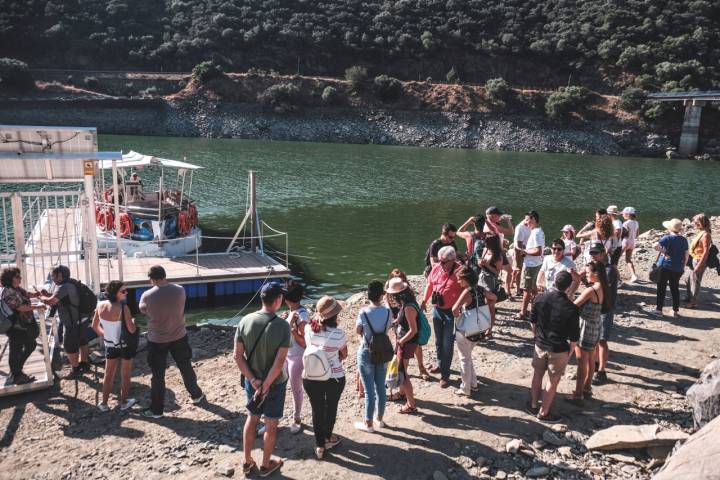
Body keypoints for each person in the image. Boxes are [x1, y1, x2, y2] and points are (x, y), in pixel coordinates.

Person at [234, 281, 290, 476]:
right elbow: (280, 361)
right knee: (271, 424)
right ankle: (266, 464)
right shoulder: (283, 326)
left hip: (253, 382)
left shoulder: (244, 321)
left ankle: (247, 460)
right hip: (274, 383)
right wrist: (266, 384)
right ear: (277, 300)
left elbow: (238, 356)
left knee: (252, 418)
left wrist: (253, 380)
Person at [139, 265, 204, 418]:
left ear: (151, 279)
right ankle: (196, 395)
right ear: (164, 275)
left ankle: (156, 410)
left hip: (157, 339)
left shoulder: (147, 295)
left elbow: (143, 310)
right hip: (179, 336)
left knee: (158, 374)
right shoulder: (180, 290)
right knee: (185, 366)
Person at [528, 271, 579, 422]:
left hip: (541, 344)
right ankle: (544, 412)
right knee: (553, 380)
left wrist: (536, 336)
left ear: (555, 281)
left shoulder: (540, 298)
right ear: (569, 286)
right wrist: (570, 352)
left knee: (537, 374)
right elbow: (574, 337)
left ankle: (533, 404)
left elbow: (533, 321)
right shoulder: (571, 308)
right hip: (558, 348)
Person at [303, 296, 347, 460]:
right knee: (331, 407)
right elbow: (345, 354)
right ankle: (328, 437)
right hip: (333, 376)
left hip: (311, 376)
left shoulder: (308, 329)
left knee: (317, 409)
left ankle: (319, 445)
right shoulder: (339, 334)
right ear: (335, 316)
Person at [91, 281, 137, 412]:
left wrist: (105, 335)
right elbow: (131, 330)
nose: (126, 293)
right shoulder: (124, 308)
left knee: (108, 374)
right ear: (115, 293)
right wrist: (133, 322)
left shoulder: (100, 305)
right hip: (124, 345)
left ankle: (104, 403)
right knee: (125, 374)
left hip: (110, 344)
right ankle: (123, 402)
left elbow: (95, 326)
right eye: (123, 291)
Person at [422, 246, 463, 388]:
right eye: (440, 261)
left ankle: (445, 375)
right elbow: (430, 285)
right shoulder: (437, 268)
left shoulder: (460, 271)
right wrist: (423, 301)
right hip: (437, 310)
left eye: (444, 262)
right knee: (439, 341)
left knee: (447, 344)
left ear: (453, 260)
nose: (441, 264)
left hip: (452, 314)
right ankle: (441, 364)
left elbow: (468, 291)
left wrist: (459, 306)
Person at [355, 280, 393, 432]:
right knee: (380, 388)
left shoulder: (363, 312)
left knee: (369, 390)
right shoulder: (388, 312)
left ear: (368, 295)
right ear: (382, 295)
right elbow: (387, 328)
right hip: (383, 351)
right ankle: (380, 419)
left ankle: (368, 423)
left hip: (367, 352)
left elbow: (358, 331)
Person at [39, 265, 90, 379]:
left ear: (60, 275)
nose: (52, 277)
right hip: (83, 318)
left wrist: (42, 298)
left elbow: (52, 301)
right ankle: (85, 363)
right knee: (82, 340)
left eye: (54, 275)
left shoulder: (63, 287)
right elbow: (61, 298)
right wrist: (47, 295)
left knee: (69, 346)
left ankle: (76, 369)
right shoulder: (72, 283)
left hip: (73, 321)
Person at [451, 267, 495, 396]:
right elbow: (494, 297)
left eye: (460, 279)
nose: (458, 281)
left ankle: (465, 388)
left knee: (463, 358)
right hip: (479, 328)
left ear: (466, 279)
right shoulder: (481, 289)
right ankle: (473, 384)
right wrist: (489, 306)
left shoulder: (467, 292)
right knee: (468, 356)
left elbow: (454, 309)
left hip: (466, 330)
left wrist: (459, 316)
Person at [569, 259, 608, 404]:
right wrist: (581, 280)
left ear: (595, 274)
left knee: (581, 362)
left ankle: (578, 394)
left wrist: (574, 285)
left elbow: (573, 305)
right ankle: (587, 388)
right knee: (591, 360)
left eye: (587, 272)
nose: (586, 274)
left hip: (585, 327)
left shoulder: (590, 290)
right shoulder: (603, 286)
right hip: (596, 325)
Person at [1, 267, 45, 385]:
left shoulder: (17, 289)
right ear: (10, 279)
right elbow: (20, 307)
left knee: (30, 344)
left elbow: (26, 294)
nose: (20, 278)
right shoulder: (8, 292)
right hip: (15, 326)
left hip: (23, 325)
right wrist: (37, 307)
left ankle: (17, 371)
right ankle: (17, 375)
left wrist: (35, 294)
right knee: (16, 350)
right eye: (17, 276)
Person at [385, 269, 431, 381]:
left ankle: (418, 369)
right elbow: (387, 303)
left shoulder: (407, 300)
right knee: (403, 350)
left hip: (407, 324)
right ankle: (403, 372)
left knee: (412, 347)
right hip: (398, 319)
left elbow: (413, 329)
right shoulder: (391, 289)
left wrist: (401, 341)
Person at [386, 277, 419, 414]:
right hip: (405, 341)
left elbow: (413, 330)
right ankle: (402, 393)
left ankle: (411, 404)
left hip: (407, 342)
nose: (391, 297)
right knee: (402, 370)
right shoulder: (406, 304)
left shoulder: (409, 307)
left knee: (403, 374)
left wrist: (401, 341)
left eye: (392, 295)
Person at [280, 280, 308, 434]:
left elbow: (305, 342)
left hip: (297, 355)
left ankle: (297, 418)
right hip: (286, 354)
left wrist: (291, 329)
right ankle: (275, 417)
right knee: (280, 386)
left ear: (287, 299)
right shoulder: (291, 312)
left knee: (296, 388)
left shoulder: (302, 316)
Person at [589, 243, 619, 386]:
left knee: (602, 340)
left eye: (595, 253)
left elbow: (602, 285)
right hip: (596, 307)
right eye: (591, 253)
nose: (593, 255)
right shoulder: (596, 269)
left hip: (606, 308)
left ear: (602, 253)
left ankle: (602, 371)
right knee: (595, 338)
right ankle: (595, 364)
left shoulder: (609, 270)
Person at [650, 219, 689, 318]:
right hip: (678, 268)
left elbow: (655, 245)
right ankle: (674, 311)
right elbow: (686, 255)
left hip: (665, 267)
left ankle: (659, 310)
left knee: (661, 288)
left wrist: (664, 253)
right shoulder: (684, 239)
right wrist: (683, 266)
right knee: (675, 288)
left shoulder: (667, 238)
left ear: (669, 228)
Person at [517, 211, 544, 320]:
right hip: (536, 263)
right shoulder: (538, 231)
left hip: (531, 265)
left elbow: (538, 251)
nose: (525, 222)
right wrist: (527, 248)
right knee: (533, 288)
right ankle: (538, 308)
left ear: (533, 219)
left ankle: (523, 313)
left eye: (527, 219)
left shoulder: (536, 233)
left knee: (526, 289)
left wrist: (525, 252)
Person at [478, 234, 504, 338]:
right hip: (482, 278)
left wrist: (487, 265)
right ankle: (483, 327)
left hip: (490, 281)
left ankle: (489, 331)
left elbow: (497, 272)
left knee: (490, 306)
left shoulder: (498, 256)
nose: (484, 243)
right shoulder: (485, 250)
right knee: (481, 304)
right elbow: (480, 264)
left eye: (487, 241)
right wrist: (481, 263)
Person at [685, 213, 713, 309]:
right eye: (694, 221)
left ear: (703, 222)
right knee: (687, 279)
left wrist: (699, 265)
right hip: (693, 258)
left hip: (698, 260)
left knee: (695, 281)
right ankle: (689, 297)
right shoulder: (701, 231)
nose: (694, 223)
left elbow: (706, 252)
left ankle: (693, 302)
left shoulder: (706, 235)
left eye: (697, 222)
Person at [484, 206, 514, 289]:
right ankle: (496, 289)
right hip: (495, 252)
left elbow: (495, 236)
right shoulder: (493, 226)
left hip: (499, 251)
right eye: (498, 215)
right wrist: (508, 220)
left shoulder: (491, 224)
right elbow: (510, 231)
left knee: (509, 271)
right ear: (492, 216)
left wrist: (503, 240)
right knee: (496, 272)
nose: (500, 216)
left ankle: (506, 290)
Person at [510, 214, 531, 297]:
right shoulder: (520, 227)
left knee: (521, 268)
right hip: (519, 250)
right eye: (527, 220)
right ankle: (518, 289)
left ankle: (513, 284)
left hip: (527, 249)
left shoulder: (530, 226)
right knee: (519, 269)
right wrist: (525, 250)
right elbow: (519, 244)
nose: (528, 222)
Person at [621, 207, 640, 282]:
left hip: (625, 242)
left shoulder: (626, 223)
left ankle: (613, 275)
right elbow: (637, 234)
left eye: (624, 214)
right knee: (628, 259)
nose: (622, 215)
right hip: (632, 242)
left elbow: (624, 234)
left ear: (628, 214)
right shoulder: (636, 222)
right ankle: (633, 275)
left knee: (615, 259)